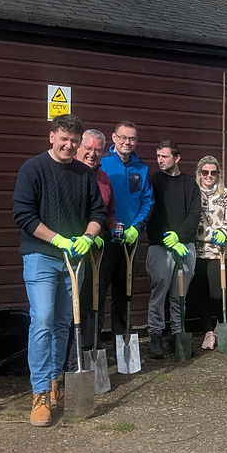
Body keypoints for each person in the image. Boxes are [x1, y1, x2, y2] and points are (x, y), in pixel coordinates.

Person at [12, 114, 106, 427]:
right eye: (63, 139)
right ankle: (39, 393)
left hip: (73, 260)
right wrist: (57, 239)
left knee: (64, 322)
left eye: (74, 141)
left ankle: (56, 381)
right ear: (52, 136)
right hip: (41, 255)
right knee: (42, 320)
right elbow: (23, 214)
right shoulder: (33, 168)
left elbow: (98, 213)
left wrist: (88, 237)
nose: (69, 145)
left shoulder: (84, 174)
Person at [64, 129, 116, 372]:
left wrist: (113, 228)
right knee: (72, 304)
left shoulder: (104, 179)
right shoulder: (68, 173)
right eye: (88, 148)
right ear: (79, 148)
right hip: (71, 249)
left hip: (96, 249)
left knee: (95, 299)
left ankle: (90, 349)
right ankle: (68, 358)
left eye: (97, 150)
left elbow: (108, 213)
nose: (92, 154)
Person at [145, 140, 201, 359]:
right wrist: (167, 237)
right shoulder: (153, 181)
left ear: (177, 158)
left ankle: (178, 333)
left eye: (164, 156)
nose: (160, 160)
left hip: (185, 246)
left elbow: (194, 215)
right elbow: (152, 213)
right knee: (158, 293)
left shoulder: (189, 185)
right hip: (160, 246)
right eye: (158, 156)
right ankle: (156, 335)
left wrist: (179, 236)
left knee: (180, 294)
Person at [98, 120, 153, 340]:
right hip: (105, 237)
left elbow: (147, 201)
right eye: (123, 137)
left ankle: (121, 340)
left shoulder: (141, 168)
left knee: (124, 291)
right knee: (98, 290)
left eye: (131, 138)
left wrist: (136, 228)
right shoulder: (102, 164)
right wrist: (106, 226)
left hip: (131, 239)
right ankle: (93, 342)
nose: (127, 142)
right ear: (114, 138)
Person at [190, 156, 227, 349]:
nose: (209, 176)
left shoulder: (226, 194)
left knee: (218, 293)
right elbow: (192, 222)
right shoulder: (194, 193)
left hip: (220, 253)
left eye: (213, 172)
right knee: (201, 293)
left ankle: (221, 325)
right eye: (205, 172)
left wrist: (224, 231)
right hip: (198, 251)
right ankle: (208, 331)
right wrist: (212, 233)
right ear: (199, 173)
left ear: (218, 174)